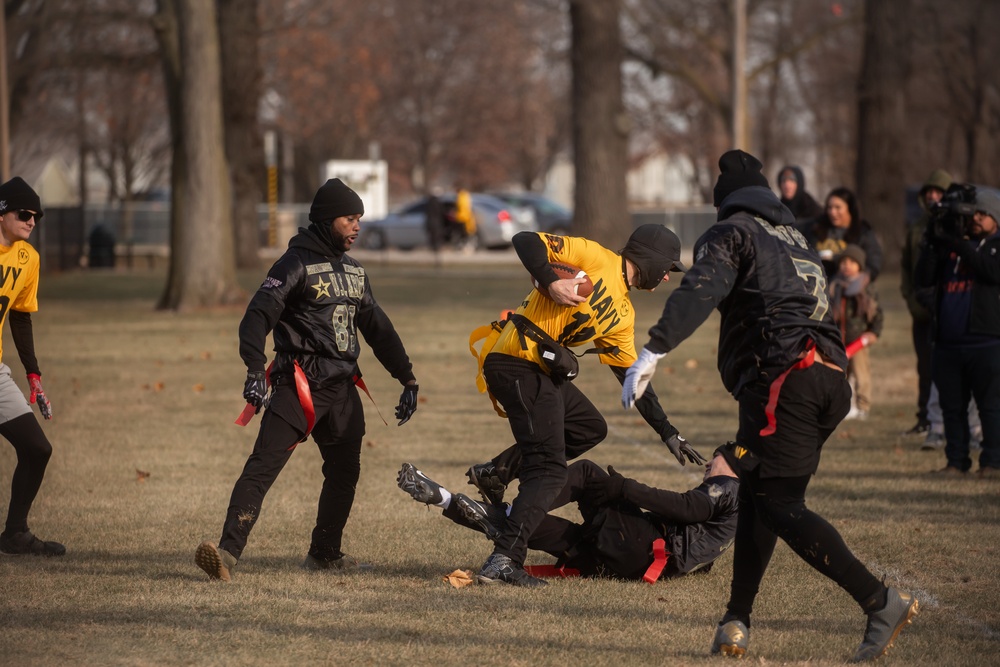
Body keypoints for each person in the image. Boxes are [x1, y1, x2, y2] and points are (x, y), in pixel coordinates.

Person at [622, 150, 918, 662]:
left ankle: (880, 602)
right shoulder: (796, 238)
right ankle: (735, 621)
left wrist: (655, 347)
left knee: (781, 507)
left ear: (726, 203)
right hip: (824, 377)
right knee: (758, 494)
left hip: (783, 379)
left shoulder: (733, 231)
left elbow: (701, 288)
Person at [195, 178, 420, 581]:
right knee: (262, 466)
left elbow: (377, 327)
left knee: (344, 472)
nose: (356, 226)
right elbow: (256, 316)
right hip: (298, 384)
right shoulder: (293, 264)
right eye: (349, 218)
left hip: (343, 388)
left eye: (359, 219)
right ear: (324, 220)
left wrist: (407, 378)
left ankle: (324, 553)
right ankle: (225, 556)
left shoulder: (355, 270)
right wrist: (253, 369)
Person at [466, 225, 703, 588]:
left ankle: (497, 472)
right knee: (549, 471)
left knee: (589, 427)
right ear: (651, 258)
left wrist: (667, 429)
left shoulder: (624, 314)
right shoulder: (594, 256)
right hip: (516, 361)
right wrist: (550, 279)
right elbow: (525, 240)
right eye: (669, 266)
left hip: (540, 371)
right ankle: (503, 560)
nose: (669, 275)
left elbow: (633, 377)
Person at [396, 444, 738, 582]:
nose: (708, 464)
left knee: (587, 473)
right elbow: (698, 551)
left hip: (642, 547)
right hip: (630, 568)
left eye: (716, 459)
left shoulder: (729, 486)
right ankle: (442, 497)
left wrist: (625, 488)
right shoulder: (737, 518)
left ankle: (518, 511)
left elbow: (689, 507)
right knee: (544, 530)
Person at [915, 184, 1000, 478]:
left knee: (990, 407)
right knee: (952, 408)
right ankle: (956, 461)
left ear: (996, 218)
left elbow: (990, 270)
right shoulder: (952, 246)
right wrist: (932, 242)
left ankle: (992, 463)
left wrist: (956, 243)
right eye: (972, 213)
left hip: (987, 342)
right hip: (948, 343)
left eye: (982, 213)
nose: (975, 218)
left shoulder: (995, 245)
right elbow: (923, 278)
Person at [0, 177, 64, 558]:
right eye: (24, 213)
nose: (31, 221)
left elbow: (20, 319)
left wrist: (33, 375)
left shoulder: (28, 259)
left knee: (37, 448)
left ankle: (15, 534)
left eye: (36, 216)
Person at [900, 169, 952, 436]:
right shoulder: (917, 227)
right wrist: (912, 300)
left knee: (949, 366)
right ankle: (925, 418)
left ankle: (949, 420)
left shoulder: (955, 224)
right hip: (921, 310)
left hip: (949, 308)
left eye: (938, 191)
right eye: (929, 191)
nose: (933, 196)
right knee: (924, 366)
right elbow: (906, 269)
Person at [829, 245, 883, 420]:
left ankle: (863, 406)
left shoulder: (866, 286)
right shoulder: (834, 285)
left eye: (852, 262)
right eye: (843, 261)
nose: (847, 265)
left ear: (860, 265)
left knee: (861, 375)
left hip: (859, 339)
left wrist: (874, 332)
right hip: (838, 339)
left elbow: (877, 312)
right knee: (841, 375)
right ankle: (845, 407)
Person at [798, 187, 883, 281]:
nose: (833, 212)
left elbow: (874, 263)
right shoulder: (816, 227)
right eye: (830, 208)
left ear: (850, 208)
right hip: (817, 285)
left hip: (849, 287)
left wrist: (861, 278)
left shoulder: (863, 233)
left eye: (838, 207)